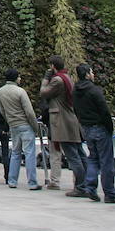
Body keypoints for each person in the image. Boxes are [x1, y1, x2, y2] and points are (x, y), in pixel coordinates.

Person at [71, 63, 115, 203]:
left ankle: (90, 187)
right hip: (100, 127)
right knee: (106, 161)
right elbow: (104, 110)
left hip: (87, 127)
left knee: (93, 158)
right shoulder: (94, 90)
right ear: (88, 74)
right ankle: (110, 193)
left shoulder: (75, 91)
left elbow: (76, 109)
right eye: (91, 72)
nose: (93, 74)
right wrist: (108, 126)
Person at [40, 55, 87, 194]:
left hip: (62, 122)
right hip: (71, 120)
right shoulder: (68, 78)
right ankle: (86, 183)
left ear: (53, 66)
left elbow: (43, 92)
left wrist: (45, 79)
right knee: (79, 153)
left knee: (73, 156)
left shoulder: (57, 80)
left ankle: (81, 186)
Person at [0, 69, 40, 190]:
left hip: (13, 125)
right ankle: (32, 182)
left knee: (15, 153)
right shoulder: (20, 91)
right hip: (25, 124)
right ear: (15, 78)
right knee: (29, 153)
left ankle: (12, 180)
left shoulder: (0, 92)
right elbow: (29, 112)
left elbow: (2, 110)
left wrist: (9, 120)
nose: (20, 79)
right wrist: (35, 126)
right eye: (19, 77)